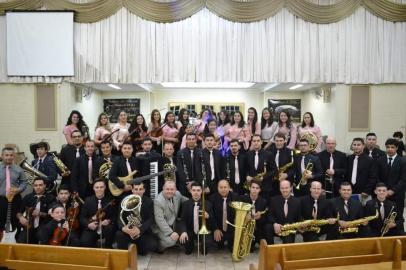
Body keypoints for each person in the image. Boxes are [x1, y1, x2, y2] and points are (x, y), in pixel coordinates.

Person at [115, 180, 158, 255]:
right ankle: (123, 254)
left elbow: (151, 219)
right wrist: (123, 228)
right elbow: (119, 217)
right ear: (132, 190)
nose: (138, 192)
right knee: (119, 234)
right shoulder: (125, 200)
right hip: (128, 230)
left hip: (141, 231)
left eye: (140, 189)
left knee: (151, 246)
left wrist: (139, 230)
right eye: (136, 189)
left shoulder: (149, 202)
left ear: (144, 190)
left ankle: (136, 247)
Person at [151, 181, 188, 253]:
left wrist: (197, 203)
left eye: (172, 189)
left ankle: (173, 241)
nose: (169, 191)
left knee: (186, 237)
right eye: (167, 189)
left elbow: (187, 201)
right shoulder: (158, 201)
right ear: (163, 189)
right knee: (171, 241)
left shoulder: (177, 194)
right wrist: (171, 233)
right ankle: (158, 246)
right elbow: (160, 221)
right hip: (160, 227)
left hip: (173, 223)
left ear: (175, 189)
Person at [16, 178, 55, 244]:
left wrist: (40, 214)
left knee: (42, 238)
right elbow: (18, 212)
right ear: (33, 186)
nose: (38, 187)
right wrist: (21, 218)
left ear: (45, 185)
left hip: (43, 227)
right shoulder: (27, 197)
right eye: (36, 185)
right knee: (20, 241)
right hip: (28, 226)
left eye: (40, 185)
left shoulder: (51, 198)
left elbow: (53, 215)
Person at [179, 182, 215, 255]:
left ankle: (203, 245)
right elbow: (182, 220)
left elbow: (213, 221)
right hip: (190, 230)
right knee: (186, 248)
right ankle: (190, 245)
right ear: (190, 191)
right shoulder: (185, 204)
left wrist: (208, 216)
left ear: (202, 191)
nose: (196, 193)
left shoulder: (208, 204)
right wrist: (183, 231)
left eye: (198, 190)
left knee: (206, 246)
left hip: (203, 230)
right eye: (194, 190)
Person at [376, 138, 406, 224]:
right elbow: (376, 176)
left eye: (392, 147)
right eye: (388, 147)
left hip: (397, 194)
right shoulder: (380, 160)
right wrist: (383, 190)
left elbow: (403, 179)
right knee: (383, 217)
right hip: (382, 194)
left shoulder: (403, 161)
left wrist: (393, 190)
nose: (390, 149)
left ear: (396, 148)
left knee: (397, 217)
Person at [80, 179, 116, 248]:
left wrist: (108, 221)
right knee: (84, 242)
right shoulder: (88, 200)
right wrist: (89, 224)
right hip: (93, 227)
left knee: (109, 229)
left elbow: (114, 216)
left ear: (105, 187)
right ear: (93, 188)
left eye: (101, 187)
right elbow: (82, 217)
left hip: (105, 228)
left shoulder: (110, 200)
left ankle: (108, 247)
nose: (99, 189)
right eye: (97, 187)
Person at [0, 147, 27, 237]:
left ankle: (14, 242)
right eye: (6, 155)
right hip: (1, 199)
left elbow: (24, 182)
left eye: (11, 155)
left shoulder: (19, 169)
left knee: (15, 222)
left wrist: (18, 189)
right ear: (2, 156)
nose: (9, 157)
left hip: (15, 199)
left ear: (14, 156)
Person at [209, 179, 240, 251]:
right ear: (217, 188)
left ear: (229, 188)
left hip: (231, 228)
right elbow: (211, 216)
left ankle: (231, 241)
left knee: (231, 248)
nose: (223, 189)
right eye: (221, 187)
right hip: (219, 228)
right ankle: (221, 241)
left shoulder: (235, 197)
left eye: (225, 187)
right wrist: (215, 229)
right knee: (219, 246)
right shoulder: (212, 198)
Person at [346, 138, 377, 203]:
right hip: (349, 191)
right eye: (354, 144)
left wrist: (367, 191)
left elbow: (373, 177)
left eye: (358, 145)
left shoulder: (370, 160)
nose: (356, 146)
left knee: (364, 211)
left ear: (363, 146)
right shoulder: (348, 158)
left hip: (364, 192)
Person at [241, 181, 268, 250]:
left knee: (264, 247)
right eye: (253, 187)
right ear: (249, 188)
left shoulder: (263, 201)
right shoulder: (242, 199)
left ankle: (256, 240)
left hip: (258, 229)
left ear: (260, 190)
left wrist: (260, 217)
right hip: (246, 229)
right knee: (250, 249)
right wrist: (245, 217)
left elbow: (265, 218)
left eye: (257, 188)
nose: (255, 190)